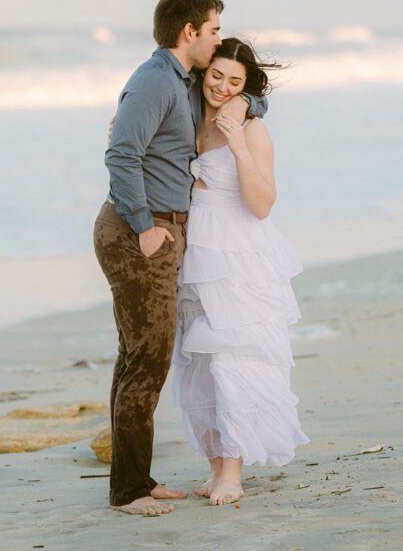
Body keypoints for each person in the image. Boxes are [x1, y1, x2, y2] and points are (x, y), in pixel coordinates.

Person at [94, 0, 266, 516]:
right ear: (189, 32)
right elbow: (121, 155)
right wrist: (144, 226)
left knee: (138, 359)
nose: (217, 40)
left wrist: (247, 99)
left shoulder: (181, 79)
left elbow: (246, 95)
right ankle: (128, 493)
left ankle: (135, 479)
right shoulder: (153, 82)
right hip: (137, 232)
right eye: (213, 30)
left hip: (166, 230)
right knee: (145, 362)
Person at [172, 38, 308, 506]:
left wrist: (238, 145)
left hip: (238, 251)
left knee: (234, 357)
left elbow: (262, 205)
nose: (222, 88)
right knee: (199, 360)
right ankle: (214, 469)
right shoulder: (189, 114)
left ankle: (234, 470)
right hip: (198, 252)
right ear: (203, 72)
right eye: (216, 76)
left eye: (235, 82)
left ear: (247, 87)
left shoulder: (251, 129)